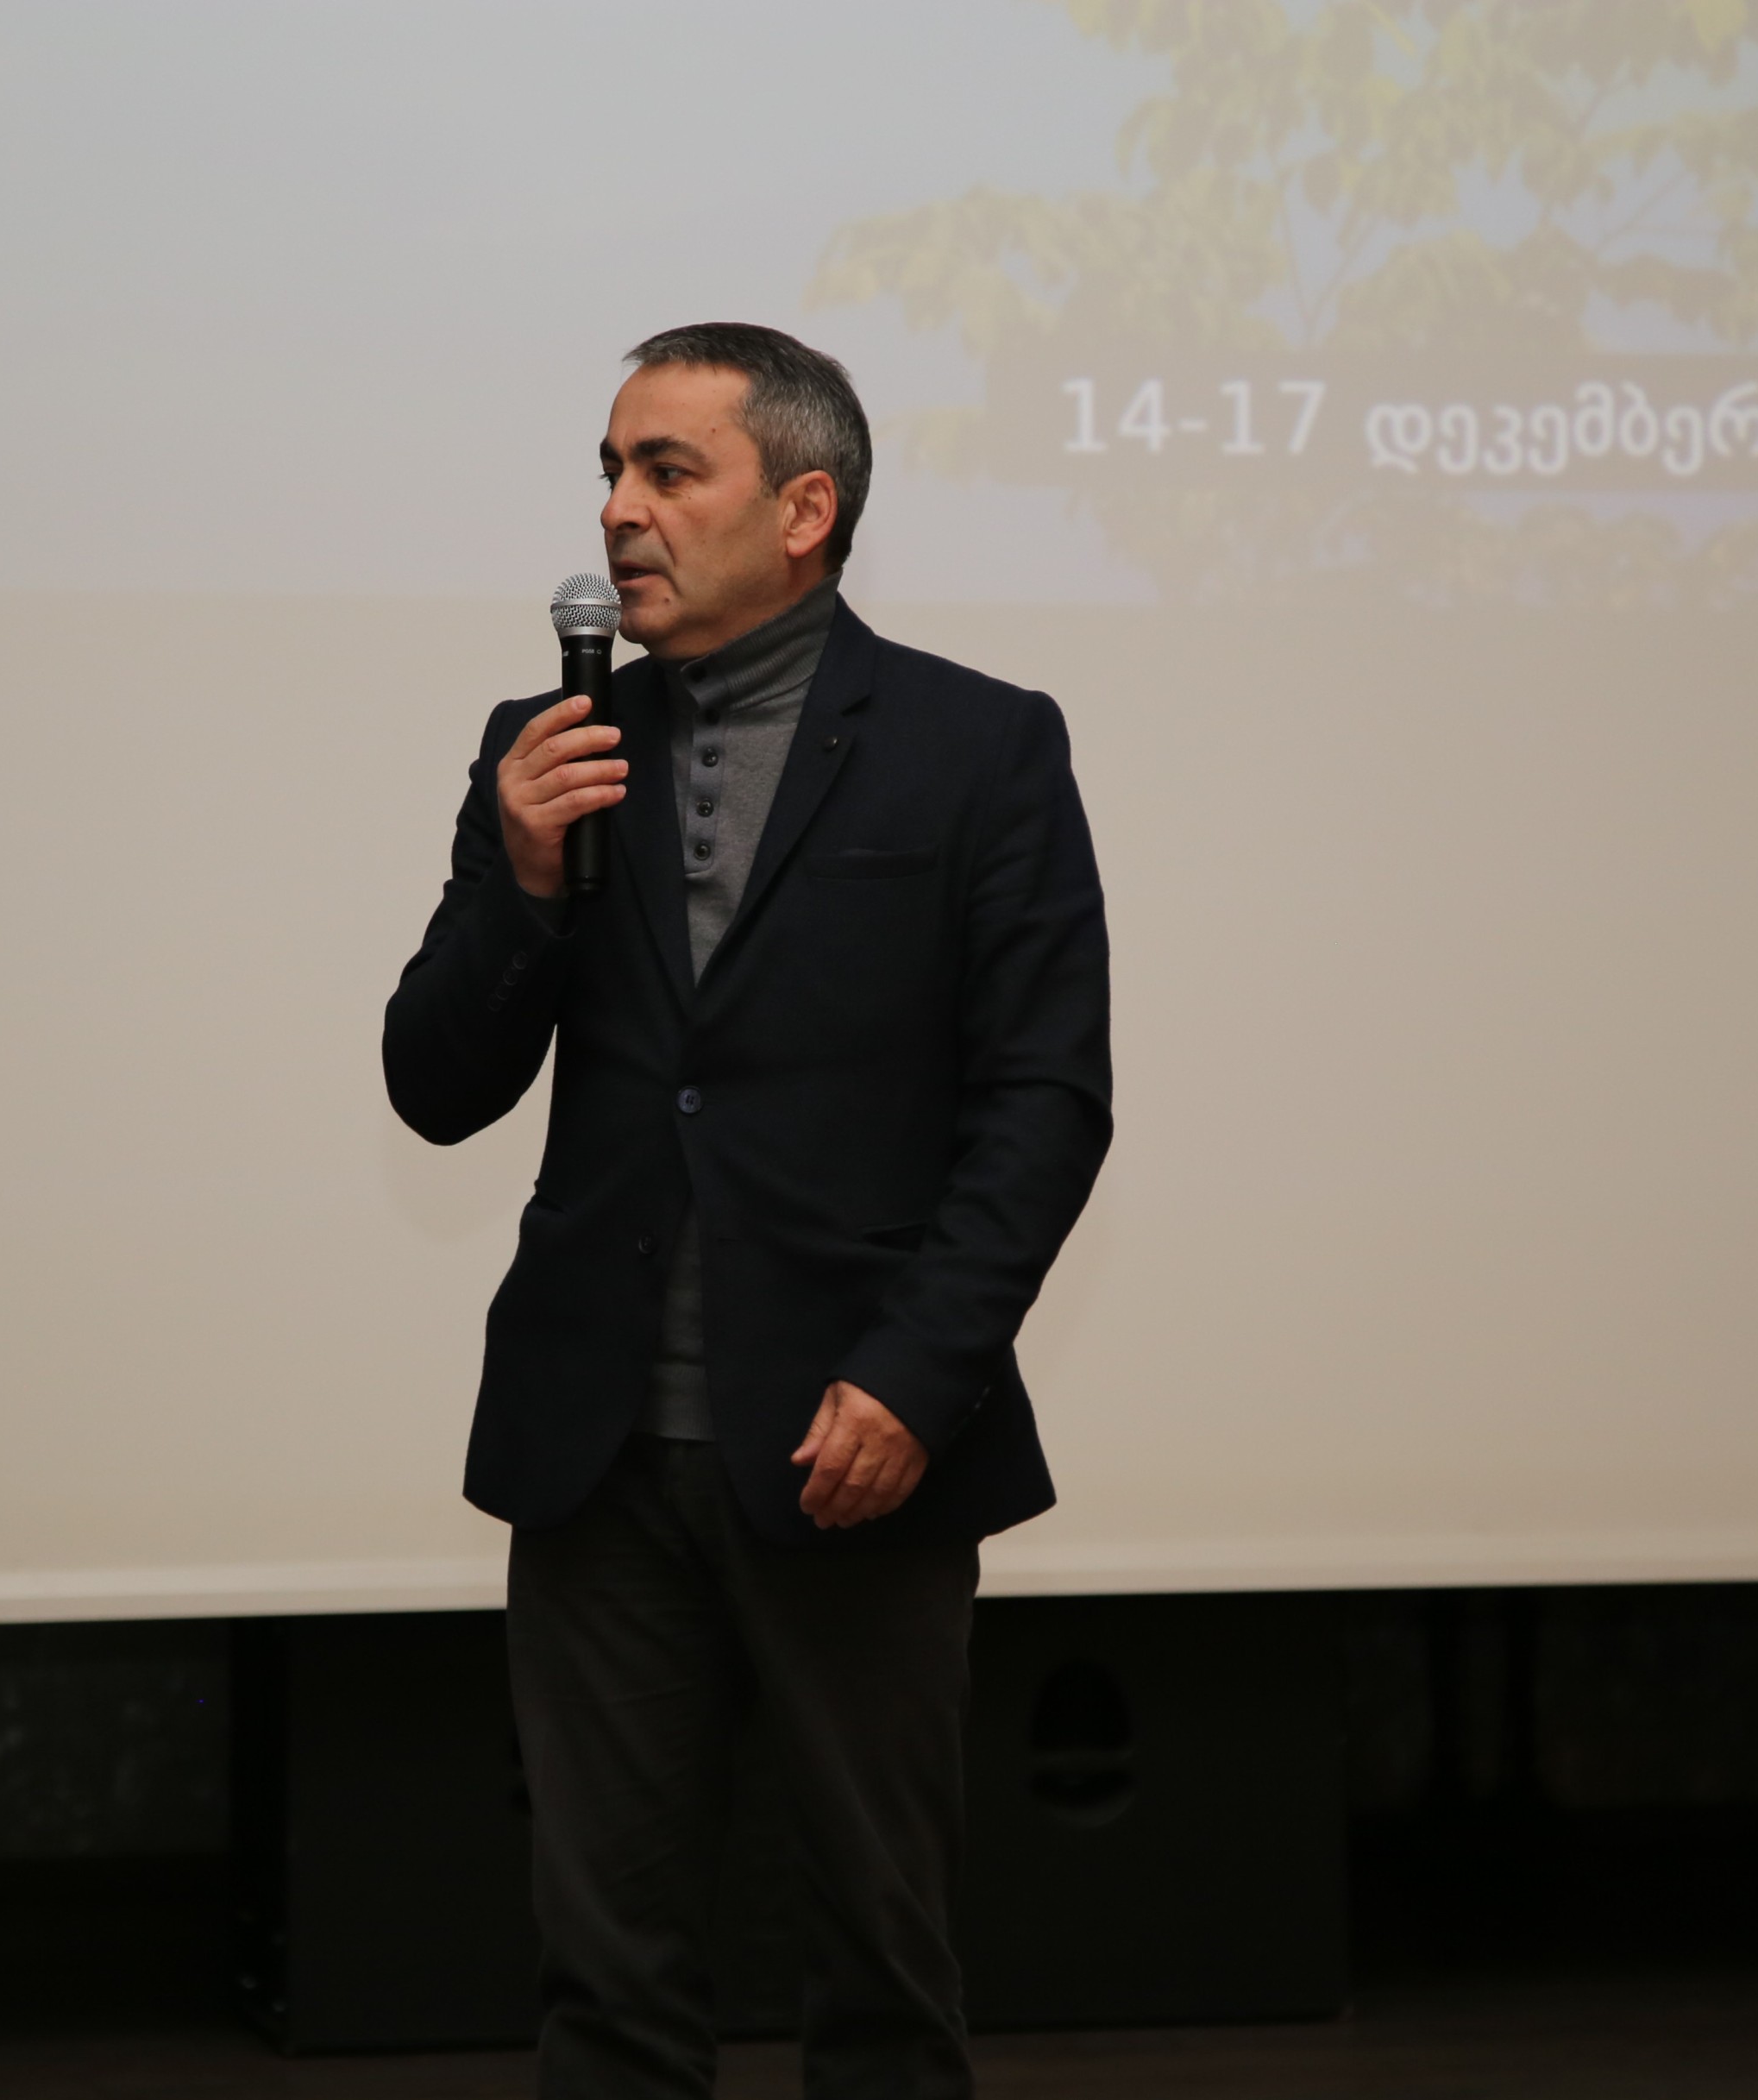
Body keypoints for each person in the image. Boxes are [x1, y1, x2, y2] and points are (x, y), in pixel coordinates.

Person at [382, 322, 1113, 2099]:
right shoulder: (548, 748)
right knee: (608, 1978)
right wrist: (527, 882)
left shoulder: (977, 745)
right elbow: (435, 1080)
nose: (617, 511)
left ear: (804, 508)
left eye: (666, 470)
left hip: (856, 1445)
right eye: (609, 472)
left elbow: (1044, 1100)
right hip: (599, 1452)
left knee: (880, 1970)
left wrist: (917, 1376)